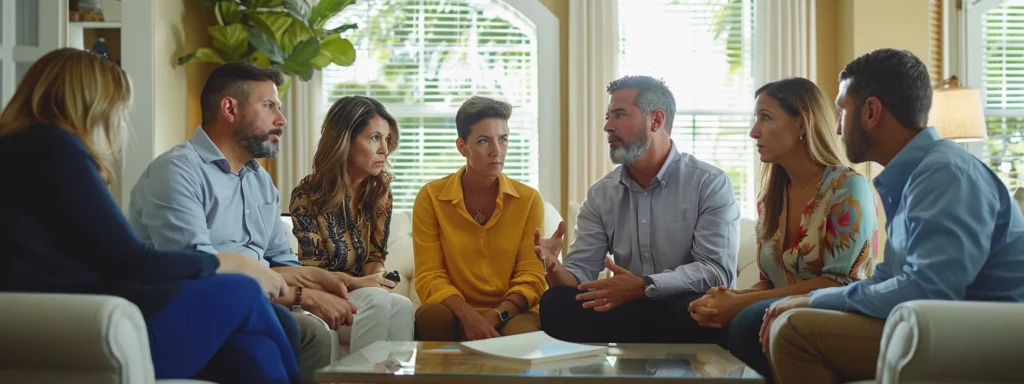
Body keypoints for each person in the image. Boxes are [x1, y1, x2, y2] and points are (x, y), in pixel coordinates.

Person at [0, 48, 298, 383]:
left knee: (256, 349)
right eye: (118, 108)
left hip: (69, 320)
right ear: (91, 103)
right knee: (241, 291)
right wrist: (233, 264)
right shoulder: (54, 147)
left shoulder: (23, 149)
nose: (119, 122)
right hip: (82, 327)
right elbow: (133, 260)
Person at [762, 49, 1024, 384]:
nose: (838, 127)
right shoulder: (913, 176)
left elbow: (929, 289)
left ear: (871, 112)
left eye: (842, 111)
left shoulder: (945, 174)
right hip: (937, 324)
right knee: (795, 318)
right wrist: (811, 299)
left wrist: (811, 300)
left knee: (793, 332)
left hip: (985, 338)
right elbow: (887, 277)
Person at [128, 61, 344, 383]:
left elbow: (277, 263)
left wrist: (330, 281)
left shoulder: (261, 183)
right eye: (269, 105)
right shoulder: (177, 172)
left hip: (256, 302)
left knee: (314, 332)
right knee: (268, 341)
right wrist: (303, 296)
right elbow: (197, 271)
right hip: (196, 311)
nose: (281, 120)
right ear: (230, 108)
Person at [686, 77, 879, 381]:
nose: (753, 132)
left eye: (766, 117)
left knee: (747, 320)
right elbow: (771, 282)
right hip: (780, 310)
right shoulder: (772, 196)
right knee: (702, 316)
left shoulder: (847, 188)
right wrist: (726, 299)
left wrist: (740, 303)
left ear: (801, 124)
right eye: (755, 119)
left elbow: (839, 282)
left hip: (836, 312)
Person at [536, 75, 740, 343]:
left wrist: (645, 286)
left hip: (684, 306)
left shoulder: (708, 183)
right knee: (556, 302)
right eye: (608, 117)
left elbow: (716, 271)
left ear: (655, 120)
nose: (608, 126)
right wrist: (554, 266)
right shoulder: (601, 193)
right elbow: (579, 279)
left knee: (700, 309)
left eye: (619, 115)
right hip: (626, 309)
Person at [412, 96, 547, 341]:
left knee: (523, 334)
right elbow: (429, 276)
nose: (497, 151)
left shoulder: (529, 200)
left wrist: (495, 316)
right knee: (430, 317)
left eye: (503, 139)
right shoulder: (430, 197)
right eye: (484, 141)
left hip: (512, 313)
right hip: (453, 309)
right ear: (462, 146)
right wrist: (468, 316)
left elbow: (532, 276)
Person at [288, 95, 414, 353]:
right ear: (346, 141)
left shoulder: (379, 193)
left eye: (387, 139)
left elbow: (375, 256)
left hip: (363, 300)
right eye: (374, 138)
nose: (384, 149)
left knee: (402, 306)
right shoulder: (308, 193)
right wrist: (358, 284)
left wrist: (378, 276)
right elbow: (312, 272)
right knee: (377, 300)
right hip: (320, 301)